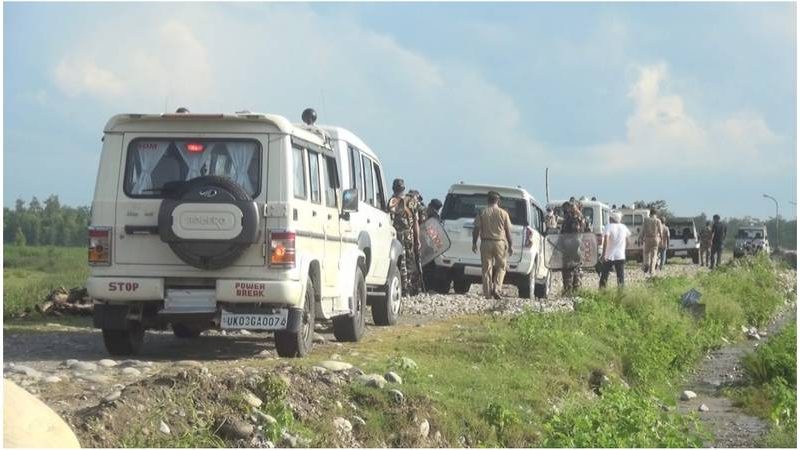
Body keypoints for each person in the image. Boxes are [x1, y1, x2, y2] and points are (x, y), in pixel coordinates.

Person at [471, 191, 513, 300]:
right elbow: (508, 231)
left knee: (486, 268)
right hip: (499, 242)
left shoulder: (482, 212)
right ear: (498, 201)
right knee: (501, 266)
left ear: (487, 200)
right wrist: (511, 244)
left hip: (485, 242)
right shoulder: (504, 213)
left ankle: (488, 293)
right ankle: (497, 287)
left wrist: (474, 243)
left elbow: (476, 229)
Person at [387, 178, 422, 294]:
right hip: (408, 235)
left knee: (398, 260)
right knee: (409, 261)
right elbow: (416, 222)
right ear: (404, 188)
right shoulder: (411, 201)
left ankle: (402, 286)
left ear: (393, 188)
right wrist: (417, 239)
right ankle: (408, 287)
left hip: (395, 235)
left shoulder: (390, 202)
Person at [560, 201, 586, 295]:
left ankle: (574, 291)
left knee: (575, 270)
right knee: (569, 271)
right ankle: (569, 291)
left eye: (573, 207)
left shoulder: (578, 218)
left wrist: (577, 213)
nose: (570, 209)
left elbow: (578, 233)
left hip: (574, 249)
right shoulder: (568, 218)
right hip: (568, 249)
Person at [599, 212, 631, 289]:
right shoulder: (624, 227)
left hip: (609, 256)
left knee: (604, 275)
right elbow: (628, 242)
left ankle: (602, 292)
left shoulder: (609, 226)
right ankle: (621, 294)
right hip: (620, 256)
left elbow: (606, 240)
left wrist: (603, 255)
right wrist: (623, 249)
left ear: (611, 219)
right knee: (620, 277)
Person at [640, 208, 662, 275]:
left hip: (647, 239)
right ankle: (652, 271)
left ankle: (646, 263)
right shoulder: (658, 220)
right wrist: (661, 239)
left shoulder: (646, 220)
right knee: (654, 255)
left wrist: (641, 238)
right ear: (656, 213)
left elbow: (642, 230)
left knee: (646, 253)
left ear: (650, 213)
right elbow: (660, 231)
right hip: (655, 238)